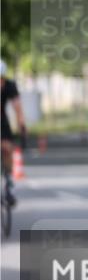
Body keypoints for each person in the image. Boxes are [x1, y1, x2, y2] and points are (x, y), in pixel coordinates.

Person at [1, 60, 27, 207]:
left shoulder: (10, 86)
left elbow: (18, 109)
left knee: (7, 147)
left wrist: (22, 128)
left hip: (2, 120)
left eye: (1, 79)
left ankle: (9, 182)